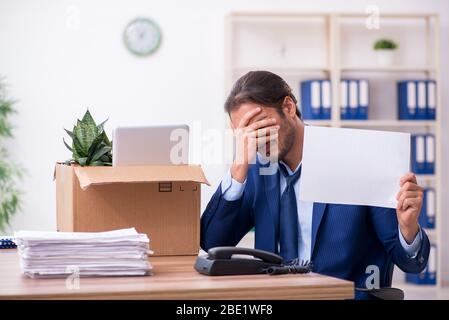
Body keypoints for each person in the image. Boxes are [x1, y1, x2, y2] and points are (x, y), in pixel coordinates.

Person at [200, 70, 429, 299]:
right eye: (245, 133)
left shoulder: (359, 157)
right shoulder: (256, 170)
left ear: (289, 107)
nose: (256, 139)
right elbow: (213, 242)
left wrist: (408, 230)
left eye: (259, 126)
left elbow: (411, 263)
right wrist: (238, 167)